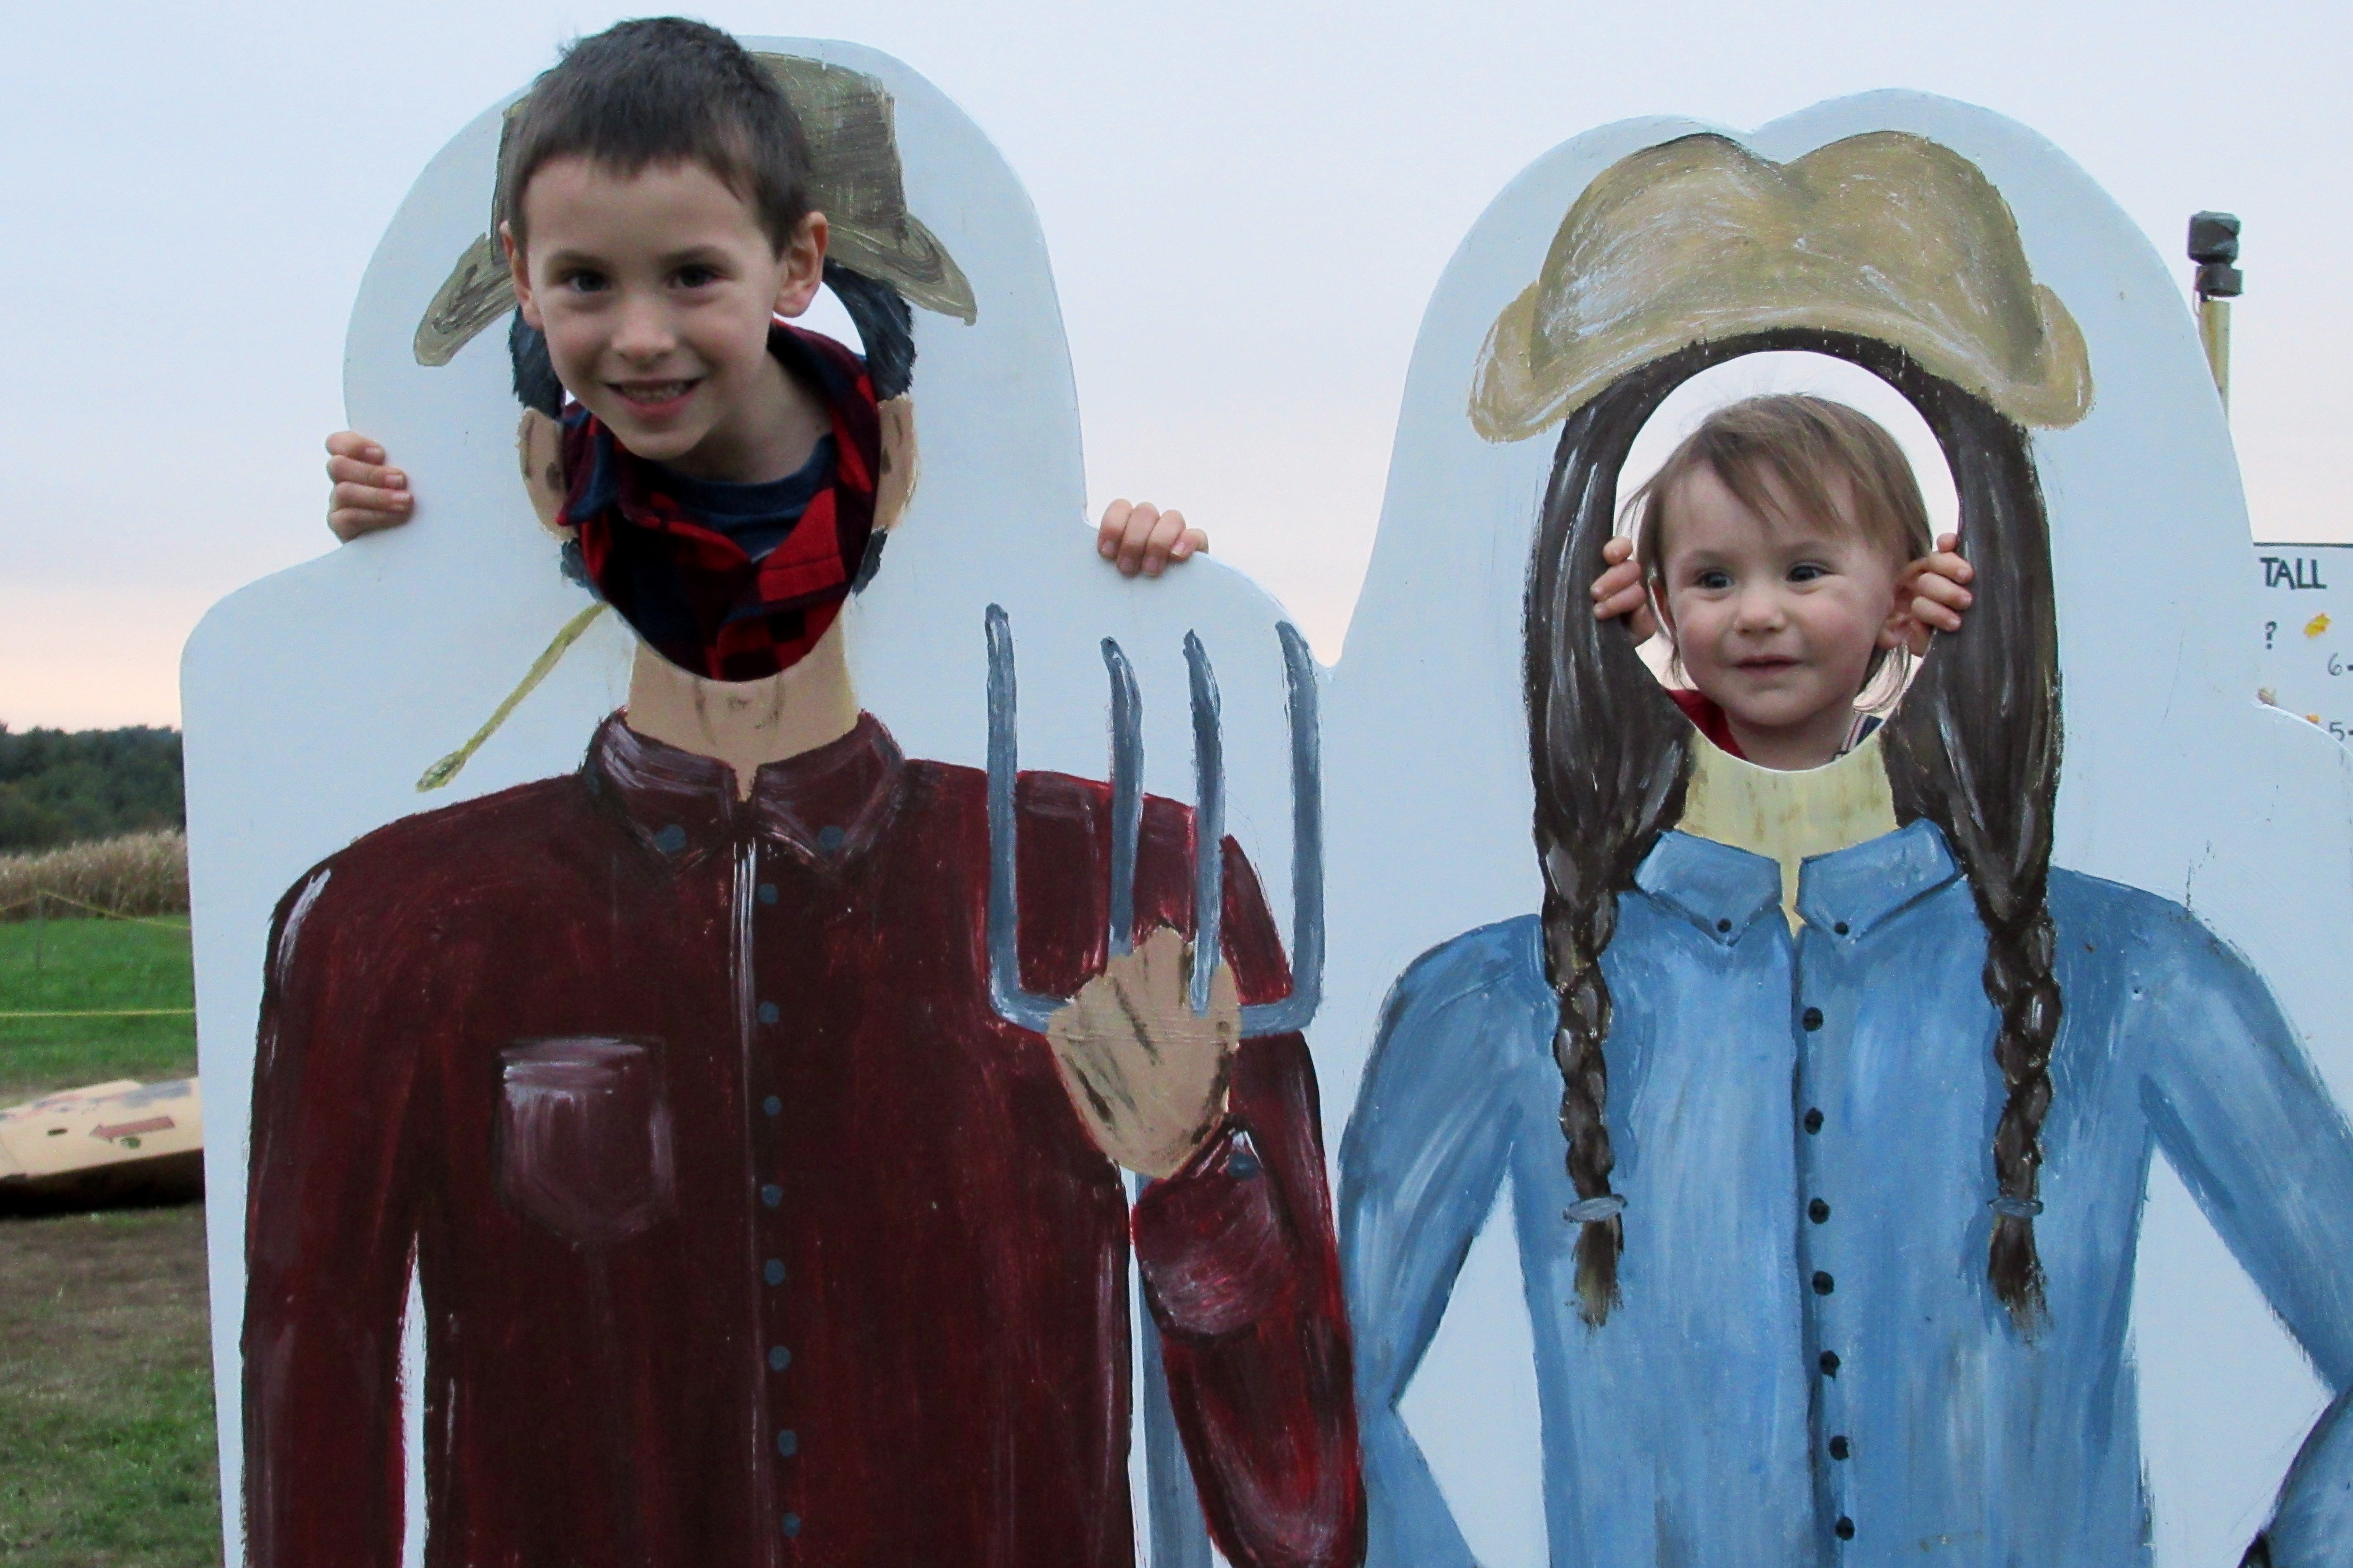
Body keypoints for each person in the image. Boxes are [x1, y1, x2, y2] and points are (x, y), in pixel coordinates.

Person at [243, 22, 1361, 1568]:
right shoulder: (388, 933)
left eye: (782, 461)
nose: (648, 343)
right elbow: (311, 1455)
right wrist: (401, 562)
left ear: (891, 455)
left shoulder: (1128, 883)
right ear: (542, 478)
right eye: (589, 295)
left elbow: (1307, 1518)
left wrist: (1197, 1176)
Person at [1341, 391, 2353, 1565]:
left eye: (1806, 568)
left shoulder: (2134, 970)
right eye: (1713, 578)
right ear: (1652, 602)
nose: (1759, 612)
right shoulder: (1491, 997)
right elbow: (1323, 1383)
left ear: (1913, 592)